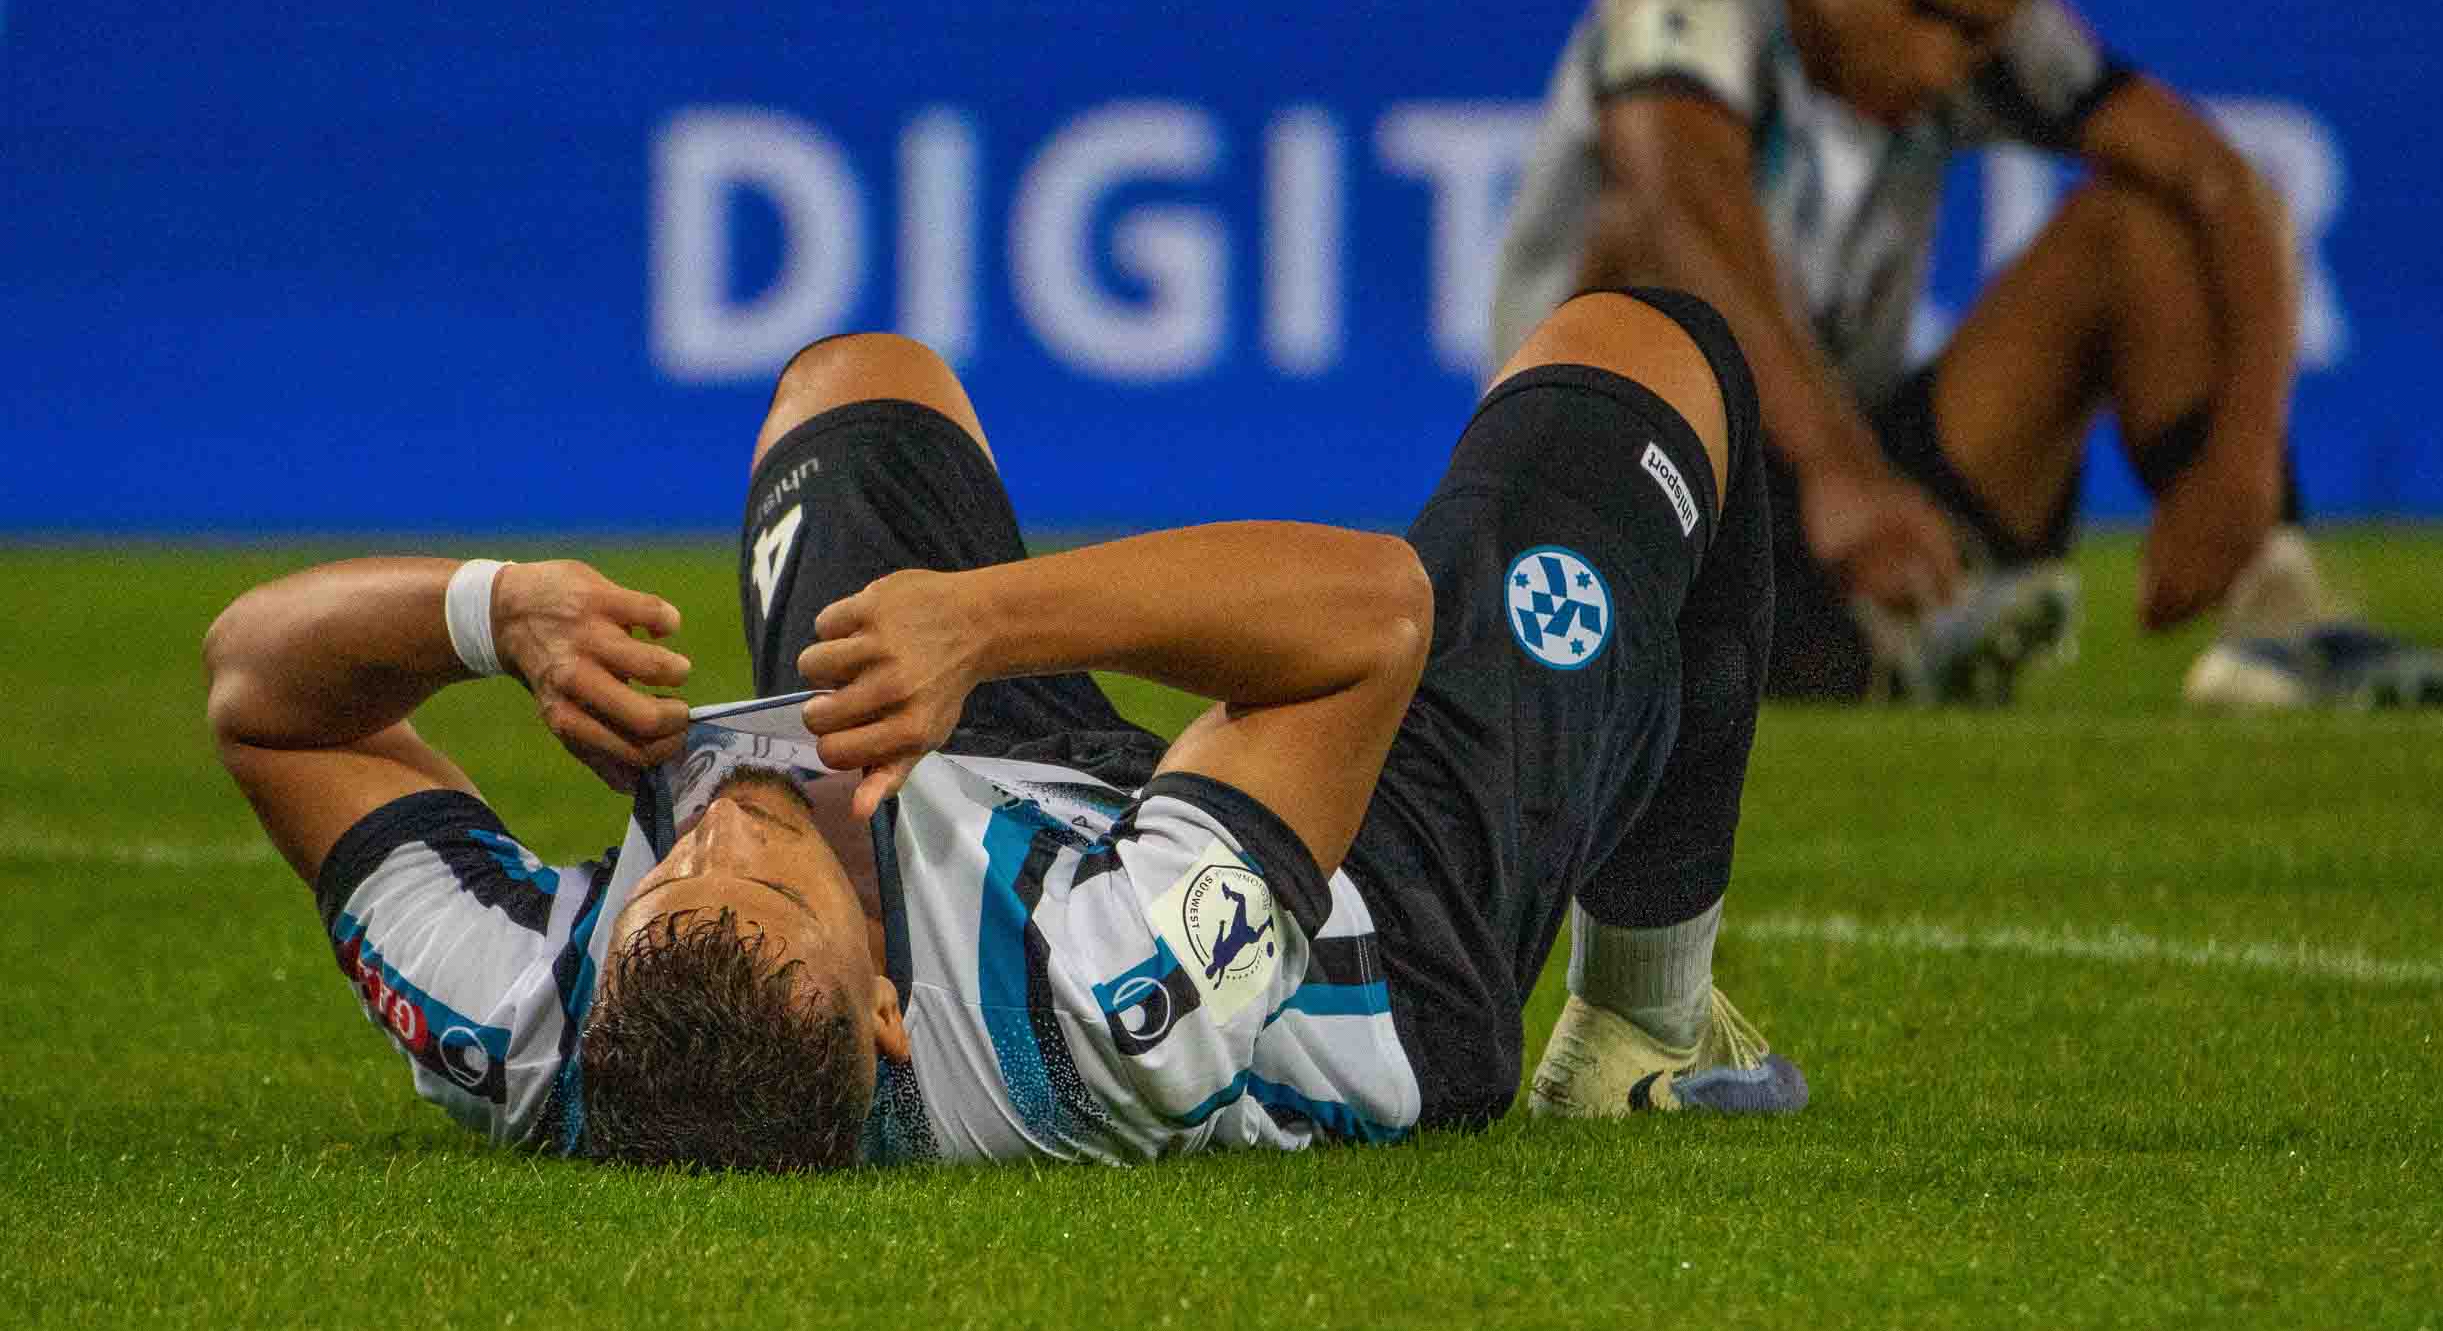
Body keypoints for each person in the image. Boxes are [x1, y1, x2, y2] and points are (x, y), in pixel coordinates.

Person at [203, 296, 1804, 1170]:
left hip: (972, 793)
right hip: (1360, 935)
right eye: (769, 876)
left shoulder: (532, 1025)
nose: (726, 810)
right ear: (885, 1011)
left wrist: (489, 614)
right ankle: (1643, 1027)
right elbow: (1368, 624)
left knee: (857, 383)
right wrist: (987, 624)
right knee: (1647, 361)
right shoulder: (1101, 1012)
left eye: (664, 880)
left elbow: (256, 698)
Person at [1492, 0, 2443, 709]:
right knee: (1640, 242)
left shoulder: (1987, 29)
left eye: (1975, 34)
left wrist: (2243, 462)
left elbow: (2228, 189)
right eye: (1919, 10)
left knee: (2130, 231)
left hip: (1850, 489)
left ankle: (2274, 616)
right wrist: (1841, 471)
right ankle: (1815, 638)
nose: (1941, 62)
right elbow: (1683, 205)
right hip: (1626, 490)